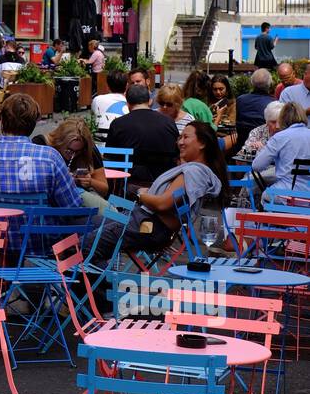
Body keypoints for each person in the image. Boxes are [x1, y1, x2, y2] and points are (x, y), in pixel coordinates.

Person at [0, 91, 83, 255]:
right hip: (42, 250)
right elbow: (73, 207)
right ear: (34, 123)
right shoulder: (50, 158)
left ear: (1, 120)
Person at [90, 121, 228, 266]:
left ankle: (98, 284)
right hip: (142, 221)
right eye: (179, 137)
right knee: (88, 223)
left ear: (202, 143)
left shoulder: (194, 172)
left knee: (82, 246)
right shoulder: (194, 170)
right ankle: (100, 280)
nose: (180, 142)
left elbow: (162, 204)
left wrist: (141, 194)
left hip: (146, 226)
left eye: (185, 137)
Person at [105, 82, 179, 191]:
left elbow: (110, 158)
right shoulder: (169, 123)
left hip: (128, 187)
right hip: (163, 185)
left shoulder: (118, 124)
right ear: (149, 101)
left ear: (128, 103)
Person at [43, 116, 109, 213]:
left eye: (78, 151)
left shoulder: (89, 151)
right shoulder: (43, 145)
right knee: (112, 214)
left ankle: (127, 219)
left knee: (116, 212)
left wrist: (90, 182)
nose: (73, 155)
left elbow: (104, 189)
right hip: (59, 201)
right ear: (59, 142)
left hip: (78, 202)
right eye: (69, 150)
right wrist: (62, 179)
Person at [252, 101, 310, 189]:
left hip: (285, 191)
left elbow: (257, 166)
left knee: (265, 195)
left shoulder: (280, 137)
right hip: (308, 193)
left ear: (282, 118)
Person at [235, 68, 277, 147]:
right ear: (270, 83)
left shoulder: (240, 99)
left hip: (242, 144)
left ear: (252, 83)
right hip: (264, 145)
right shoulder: (273, 103)